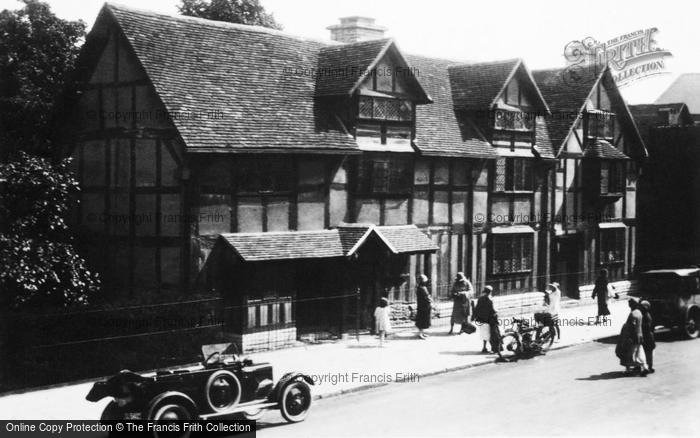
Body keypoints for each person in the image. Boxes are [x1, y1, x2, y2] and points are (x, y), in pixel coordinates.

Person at [615, 298, 649, 376]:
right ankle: (645, 366)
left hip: (632, 337)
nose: (629, 305)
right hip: (639, 336)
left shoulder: (633, 313)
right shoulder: (639, 312)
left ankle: (628, 369)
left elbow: (632, 326)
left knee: (628, 353)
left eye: (630, 303)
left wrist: (627, 336)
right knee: (640, 351)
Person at [473, 286, 499, 353]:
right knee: (492, 333)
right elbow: (493, 310)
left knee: (484, 333)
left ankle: (484, 347)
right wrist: (496, 312)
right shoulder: (490, 299)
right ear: (490, 292)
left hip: (482, 319)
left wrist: (474, 316)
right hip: (490, 319)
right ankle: (494, 348)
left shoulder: (480, 298)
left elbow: (477, 308)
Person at [639, 300, 656, 373]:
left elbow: (647, 328)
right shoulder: (646, 315)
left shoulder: (646, 316)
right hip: (649, 336)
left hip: (648, 336)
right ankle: (649, 366)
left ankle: (649, 366)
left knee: (648, 352)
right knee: (648, 352)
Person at [415, 274, 433, 339]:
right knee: (422, 320)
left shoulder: (420, 288)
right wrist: (430, 300)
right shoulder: (422, 288)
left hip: (423, 306)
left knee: (424, 320)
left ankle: (422, 332)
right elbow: (427, 297)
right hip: (424, 307)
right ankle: (420, 333)